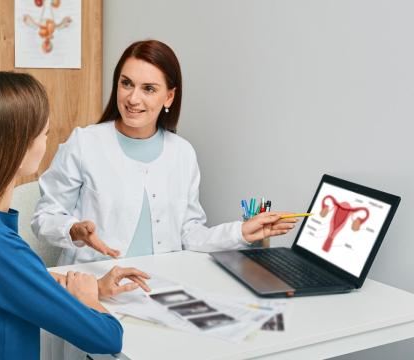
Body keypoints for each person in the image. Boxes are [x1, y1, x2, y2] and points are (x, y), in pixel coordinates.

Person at [0, 71, 150, 359]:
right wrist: (88, 300)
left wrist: (94, 288)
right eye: (45, 134)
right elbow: (107, 337)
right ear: (17, 145)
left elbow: (14, 282)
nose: (46, 142)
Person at [32, 40, 298, 266]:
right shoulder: (85, 143)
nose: (133, 99)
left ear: (169, 97)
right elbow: (45, 218)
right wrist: (73, 230)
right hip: (94, 287)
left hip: (161, 285)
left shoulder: (182, 153)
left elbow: (190, 234)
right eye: (126, 84)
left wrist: (241, 232)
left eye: (149, 89)